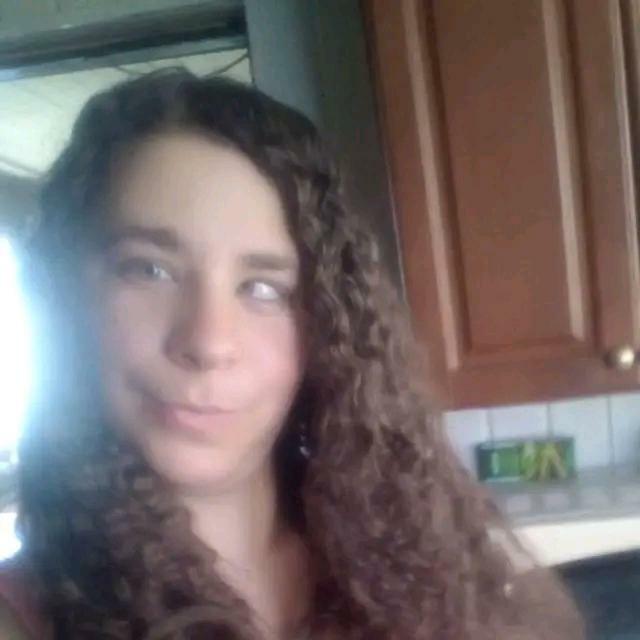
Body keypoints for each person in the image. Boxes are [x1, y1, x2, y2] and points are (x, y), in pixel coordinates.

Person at [0, 69, 584, 639]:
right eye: (149, 270)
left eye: (263, 289)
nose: (208, 342)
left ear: (326, 329)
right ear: (66, 297)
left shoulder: (430, 572)